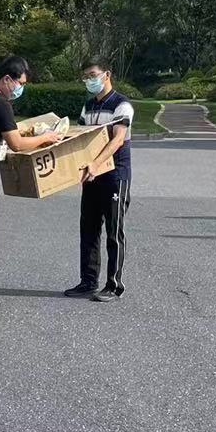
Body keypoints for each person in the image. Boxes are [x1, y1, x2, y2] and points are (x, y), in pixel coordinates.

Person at [0, 57, 63, 308]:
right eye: (21, 83)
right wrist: (46, 138)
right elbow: (17, 143)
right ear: (7, 79)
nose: (21, 88)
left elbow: (5, 134)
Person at [65, 60, 135, 301]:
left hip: (115, 175)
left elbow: (118, 139)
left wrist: (96, 163)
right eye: (85, 77)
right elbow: (80, 138)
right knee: (89, 229)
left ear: (107, 75)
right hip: (91, 176)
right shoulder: (88, 106)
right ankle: (88, 281)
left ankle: (114, 286)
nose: (89, 80)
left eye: (92, 75)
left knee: (114, 231)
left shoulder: (121, 104)